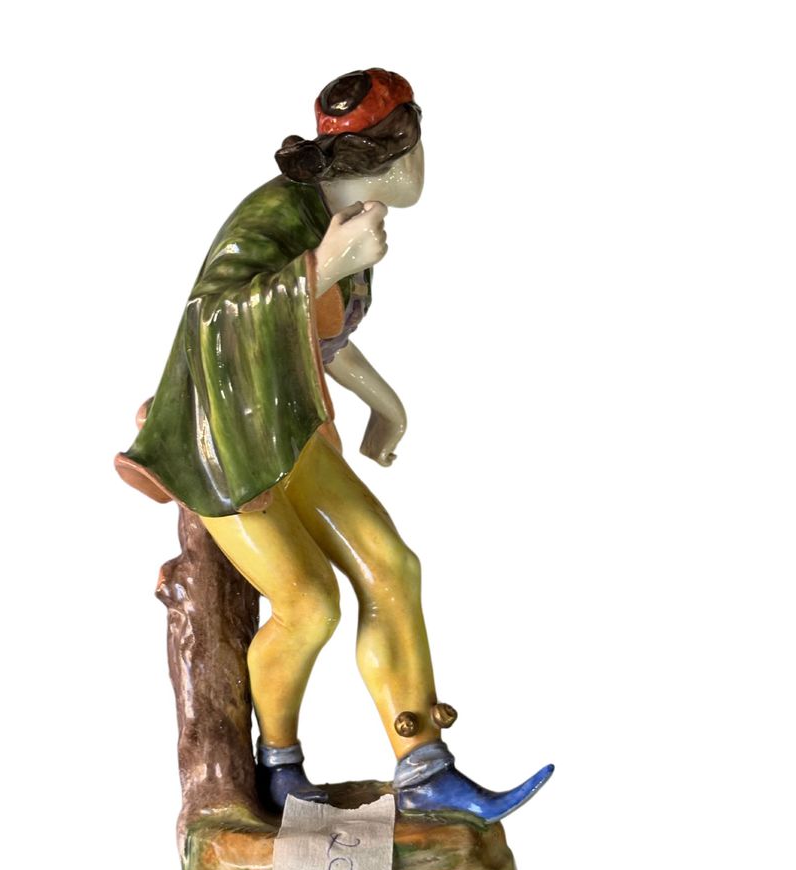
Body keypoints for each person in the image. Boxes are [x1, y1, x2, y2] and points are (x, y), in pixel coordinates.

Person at [116, 68, 553, 820]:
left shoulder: (349, 218)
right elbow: (208, 322)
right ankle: (278, 766)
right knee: (308, 603)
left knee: (391, 566)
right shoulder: (276, 215)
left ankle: (425, 769)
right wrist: (323, 265)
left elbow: (319, 337)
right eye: (416, 144)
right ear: (396, 153)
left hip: (287, 428)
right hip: (221, 443)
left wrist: (386, 405)